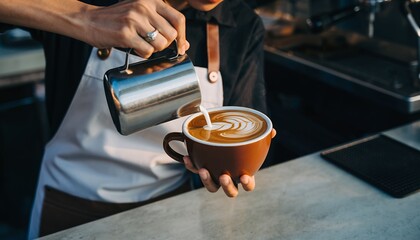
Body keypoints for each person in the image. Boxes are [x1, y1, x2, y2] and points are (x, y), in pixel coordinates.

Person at [0, 0, 272, 238]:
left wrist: (226, 166)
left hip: (170, 213)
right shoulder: (95, 3)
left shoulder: (242, 24)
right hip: (66, 207)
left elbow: (241, 125)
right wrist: (84, 16)